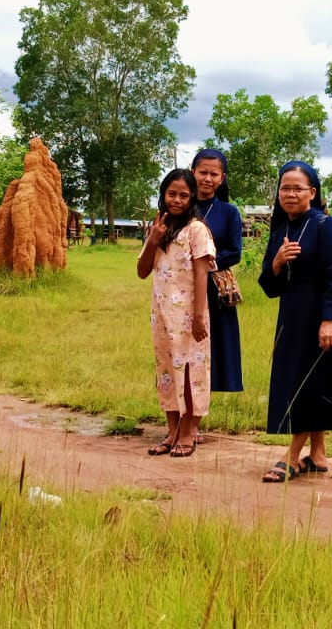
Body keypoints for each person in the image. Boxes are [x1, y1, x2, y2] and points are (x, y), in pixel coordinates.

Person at [258, 161, 332, 483]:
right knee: (309, 383)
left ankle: (291, 457)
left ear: (312, 192)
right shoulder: (281, 231)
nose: (290, 194)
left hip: (323, 319)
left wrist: (329, 321)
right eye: (284, 188)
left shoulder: (328, 226)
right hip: (292, 320)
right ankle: (318, 454)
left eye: (297, 188)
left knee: (307, 385)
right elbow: (268, 287)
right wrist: (277, 263)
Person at [137, 168, 215, 458]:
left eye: (184, 195)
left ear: (192, 197)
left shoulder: (197, 230)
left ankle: (187, 433)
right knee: (167, 373)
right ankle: (171, 432)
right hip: (161, 318)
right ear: (163, 194)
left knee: (190, 374)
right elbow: (142, 271)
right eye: (172, 194)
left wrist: (197, 317)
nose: (177, 200)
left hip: (188, 318)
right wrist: (154, 239)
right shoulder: (158, 228)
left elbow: (201, 276)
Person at [190, 149, 245, 443]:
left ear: (222, 178)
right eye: (203, 172)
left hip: (213, 291)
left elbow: (234, 251)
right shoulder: (181, 204)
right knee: (182, 355)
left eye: (214, 174)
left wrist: (202, 261)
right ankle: (178, 420)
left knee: (207, 355)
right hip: (180, 291)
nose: (208, 178)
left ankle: (195, 422)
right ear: (193, 172)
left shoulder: (228, 212)